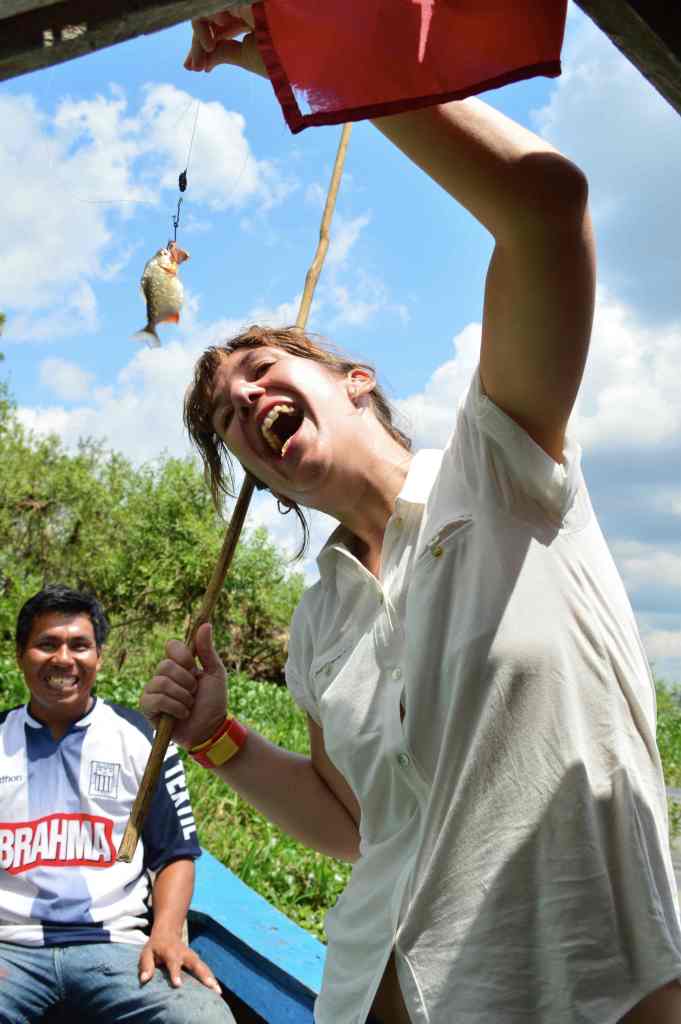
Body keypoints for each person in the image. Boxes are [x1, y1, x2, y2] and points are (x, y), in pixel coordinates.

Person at [141, 11, 681, 1024]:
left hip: (584, 988)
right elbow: (356, 825)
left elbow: (546, 206)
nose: (244, 399)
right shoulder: (318, 624)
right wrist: (216, 739)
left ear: (354, 380)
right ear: (259, 476)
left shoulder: (502, 462)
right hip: (369, 992)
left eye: (260, 369)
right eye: (224, 418)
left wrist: (326, 60)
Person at [0, 585, 234, 1024]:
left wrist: (166, 933)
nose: (64, 659)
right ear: (20, 656)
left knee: (204, 1017)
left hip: (116, 948)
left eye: (79, 645)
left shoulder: (144, 738)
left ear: (99, 657)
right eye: (47, 644)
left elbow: (175, 855)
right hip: (9, 949)